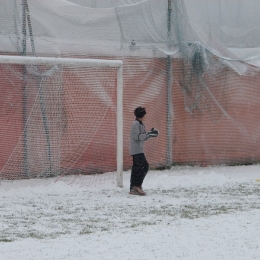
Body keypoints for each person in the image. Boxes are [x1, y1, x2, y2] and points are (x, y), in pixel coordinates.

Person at [129, 106, 158, 195]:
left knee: (137, 168)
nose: (146, 116)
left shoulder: (141, 124)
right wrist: (148, 133)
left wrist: (150, 134)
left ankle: (134, 187)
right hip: (136, 150)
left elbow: (143, 137)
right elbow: (137, 137)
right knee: (144, 166)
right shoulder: (135, 124)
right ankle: (137, 186)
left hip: (140, 149)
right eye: (144, 114)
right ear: (141, 115)